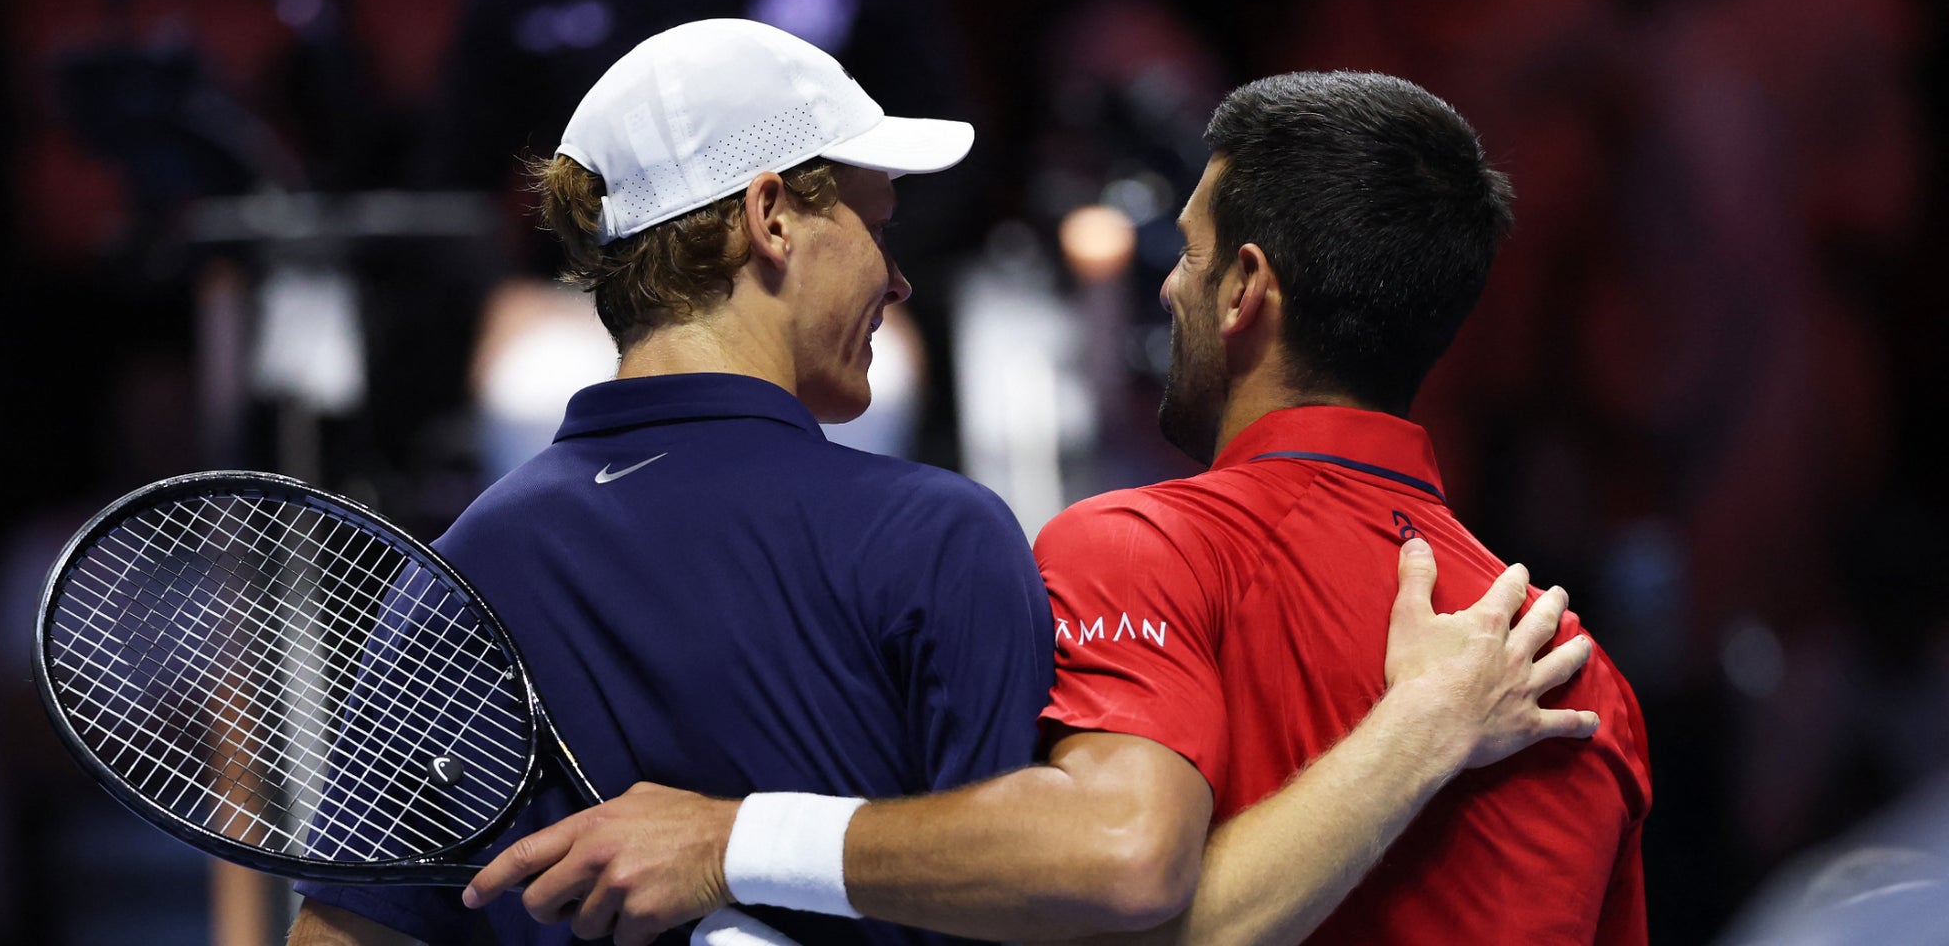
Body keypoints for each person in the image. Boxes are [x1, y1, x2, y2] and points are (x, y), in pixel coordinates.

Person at [463, 70, 1649, 946]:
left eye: (1183, 255)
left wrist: (732, 846)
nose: (1166, 286)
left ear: (1244, 292)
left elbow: (1122, 882)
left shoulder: (1134, 549)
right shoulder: (1578, 679)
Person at [289, 18, 1054, 946]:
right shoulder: (939, 536)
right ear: (770, 216)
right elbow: (1032, 904)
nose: (895, 281)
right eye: (877, 227)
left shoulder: (462, 568)